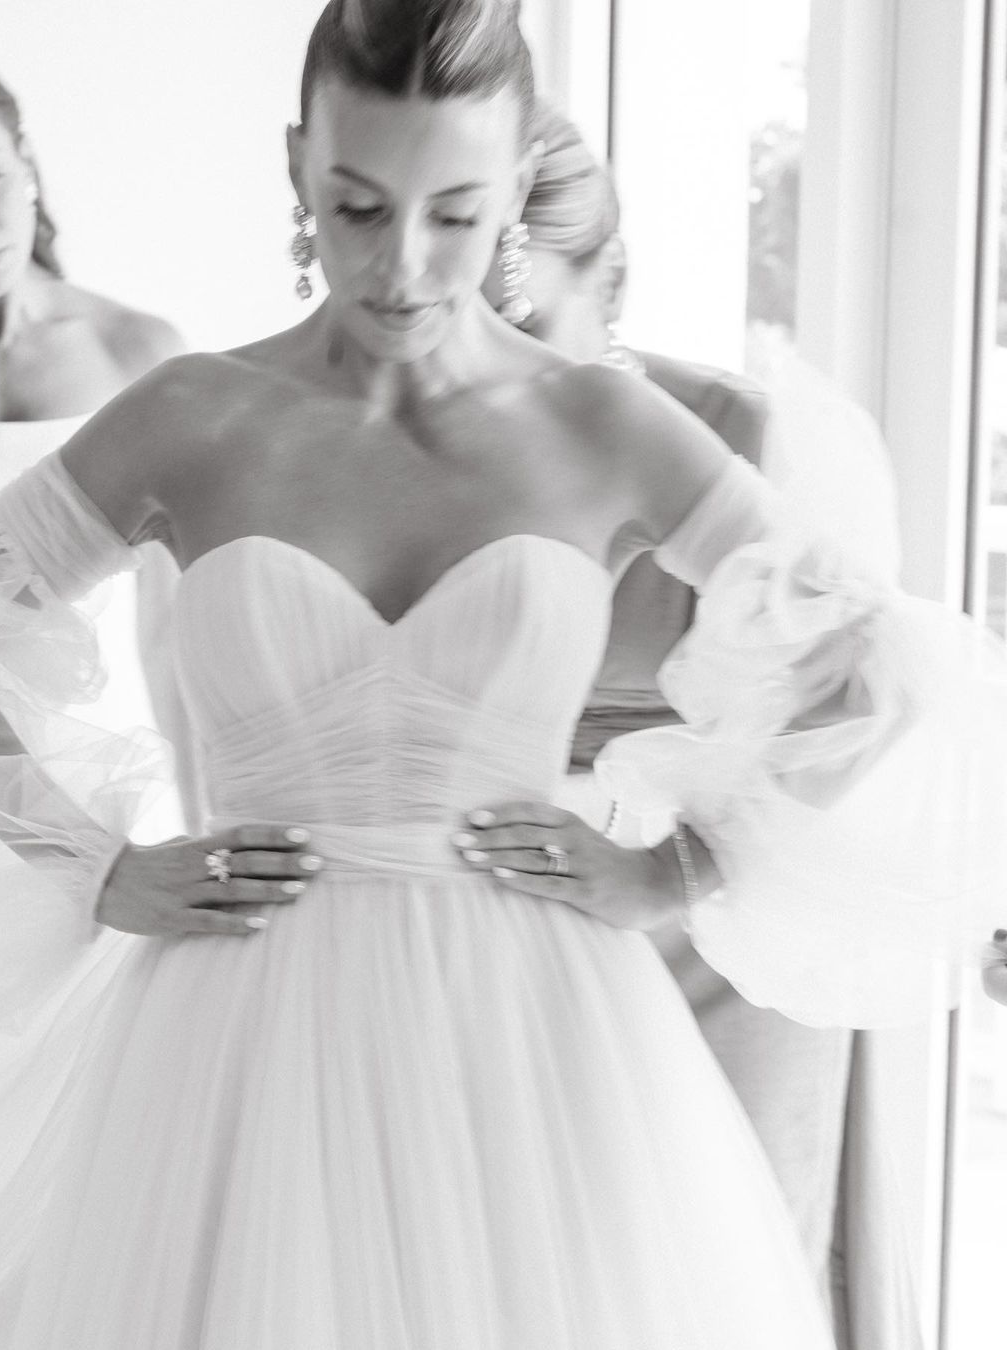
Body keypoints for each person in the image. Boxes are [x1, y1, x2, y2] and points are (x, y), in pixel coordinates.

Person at [0, 3, 1003, 1346]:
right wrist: (95, 867)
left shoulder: (605, 426)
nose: (402, 264)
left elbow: (869, 673)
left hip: (534, 1044)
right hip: (234, 1043)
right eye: (358, 206)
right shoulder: (191, 414)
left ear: (513, 187)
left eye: (454, 212)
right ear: (297, 165)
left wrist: (675, 868)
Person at [479, 101, 919, 1350]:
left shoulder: (741, 440)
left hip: (723, 923)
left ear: (612, 281)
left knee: (727, 1279)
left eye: (529, 330)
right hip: (516, 933)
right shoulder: (418, 444)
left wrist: (669, 872)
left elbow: (868, 698)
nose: (493, 378)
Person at [0, 44, 183, 770]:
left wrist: (201, 811)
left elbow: (175, 631)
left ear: (28, 164)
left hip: (104, 767)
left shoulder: (138, 353)